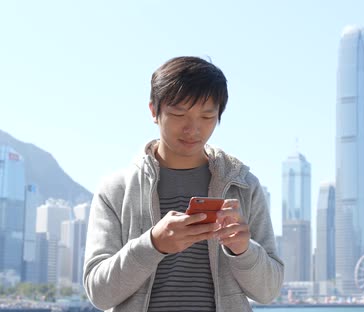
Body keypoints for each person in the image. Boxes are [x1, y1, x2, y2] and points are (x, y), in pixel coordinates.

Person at [83, 56, 284, 312]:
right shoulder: (115, 190)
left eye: (207, 116)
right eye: (179, 113)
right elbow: (99, 294)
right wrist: (154, 244)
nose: (193, 128)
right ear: (154, 111)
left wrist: (243, 250)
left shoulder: (243, 186)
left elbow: (268, 292)